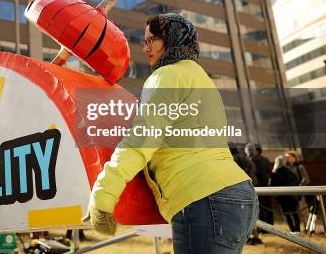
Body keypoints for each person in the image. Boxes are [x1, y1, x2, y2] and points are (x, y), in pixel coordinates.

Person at [85, 13, 258, 254]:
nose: (145, 49)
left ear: (172, 38)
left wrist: (104, 194)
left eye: (151, 40)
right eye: (143, 41)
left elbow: (141, 139)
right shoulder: (201, 78)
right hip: (238, 193)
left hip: (202, 199)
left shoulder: (167, 75)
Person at [271, 155, 301, 232]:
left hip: (281, 197)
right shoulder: (289, 170)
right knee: (295, 213)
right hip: (290, 195)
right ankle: (298, 230)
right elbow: (296, 180)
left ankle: (292, 230)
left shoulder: (274, 173)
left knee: (287, 215)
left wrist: (276, 196)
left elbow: (272, 185)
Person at [246, 144, 273, 225]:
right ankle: (270, 224)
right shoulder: (266, 159)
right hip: (266, 186)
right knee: (268, 206)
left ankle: (264, 227)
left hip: (258, 186)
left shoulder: (253, 160)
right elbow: (269, 172)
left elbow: (255, 173)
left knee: (259, 207)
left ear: (256, 151)